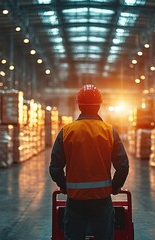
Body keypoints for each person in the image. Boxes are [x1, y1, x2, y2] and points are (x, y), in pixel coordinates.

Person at [50, 84, 129, 240]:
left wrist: (64, 186)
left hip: (75, 200)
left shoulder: (67, 131)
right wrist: (115, 186)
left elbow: (55, 167)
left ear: (79, 105)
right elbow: (123, 166)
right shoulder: (109, 131)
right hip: (102, 199)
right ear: (99, 105)